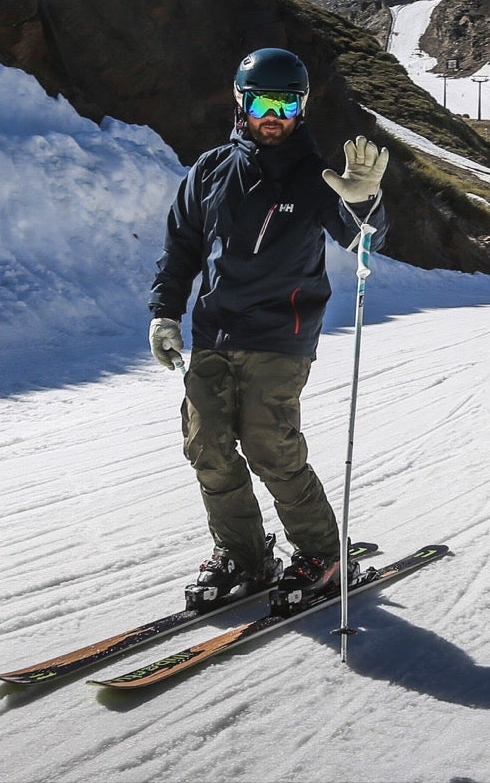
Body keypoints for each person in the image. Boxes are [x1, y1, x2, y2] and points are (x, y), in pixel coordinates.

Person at [149, 48, 389, 614]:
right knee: (205, 444)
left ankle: (323, 555)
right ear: (242, 101)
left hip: (282, 334)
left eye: (285, 102)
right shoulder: (209, 171)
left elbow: (365, 241)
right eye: (262, 101)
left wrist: (367, 203)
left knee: (269, 445)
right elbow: (180, 248)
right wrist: (165, 313)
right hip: (214, 333)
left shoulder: (317, 176)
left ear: (301, 106)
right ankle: (245, 556)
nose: (272, 114)